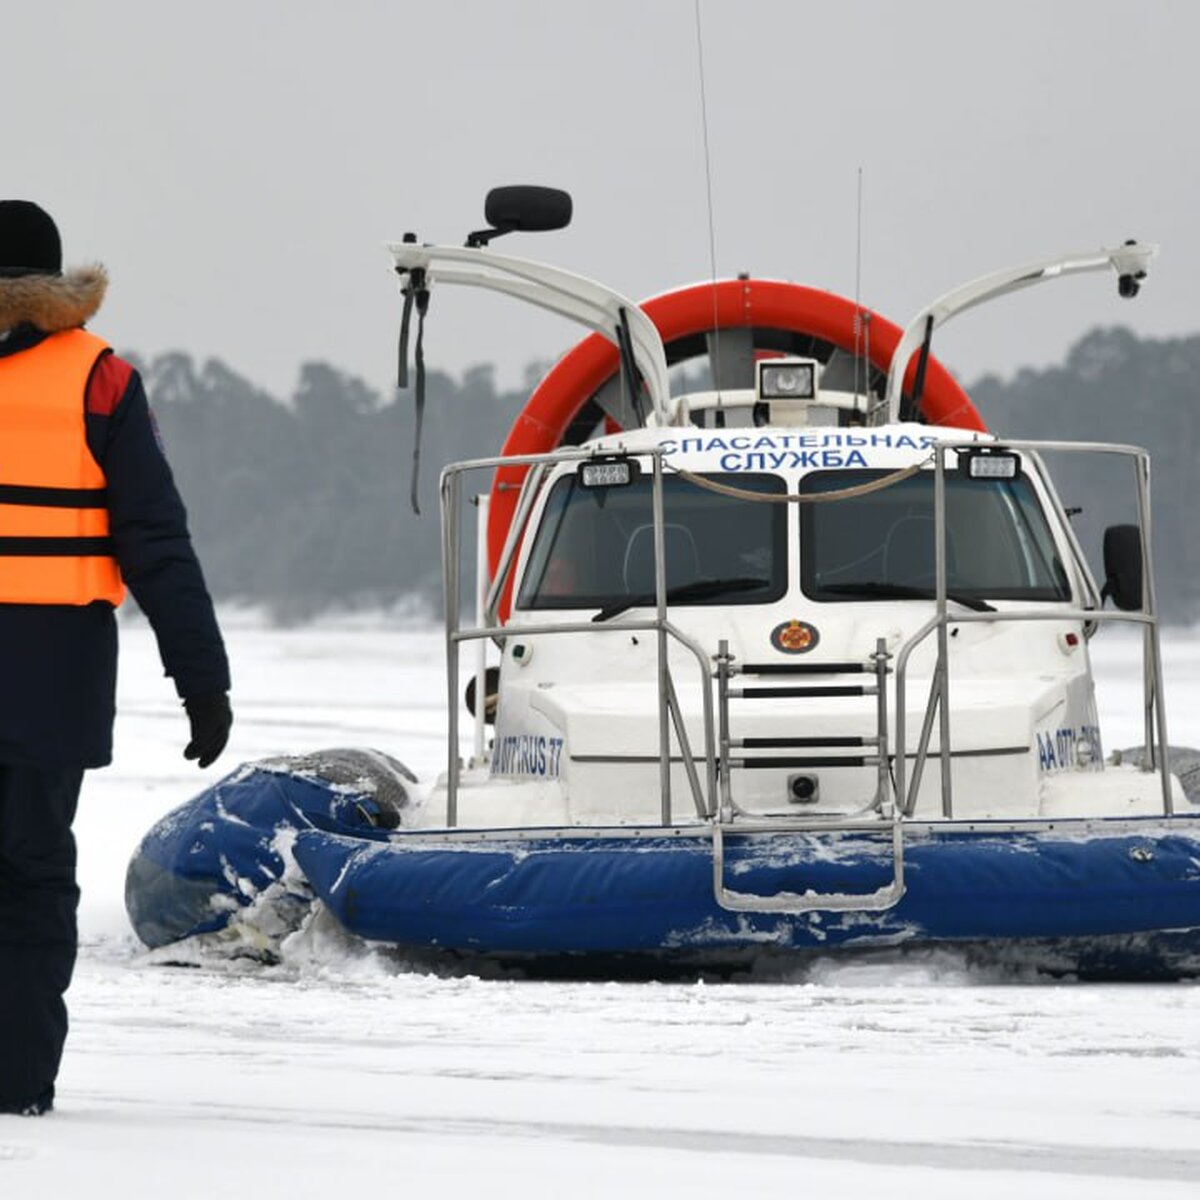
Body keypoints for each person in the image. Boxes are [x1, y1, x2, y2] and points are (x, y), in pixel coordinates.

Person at [0, 201, 231, 1117]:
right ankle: (16, 1083)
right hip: (52, 674)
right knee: (33, 874)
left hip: (51, 673)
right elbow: (155, 541)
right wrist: (201, 677)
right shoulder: (99, 381)